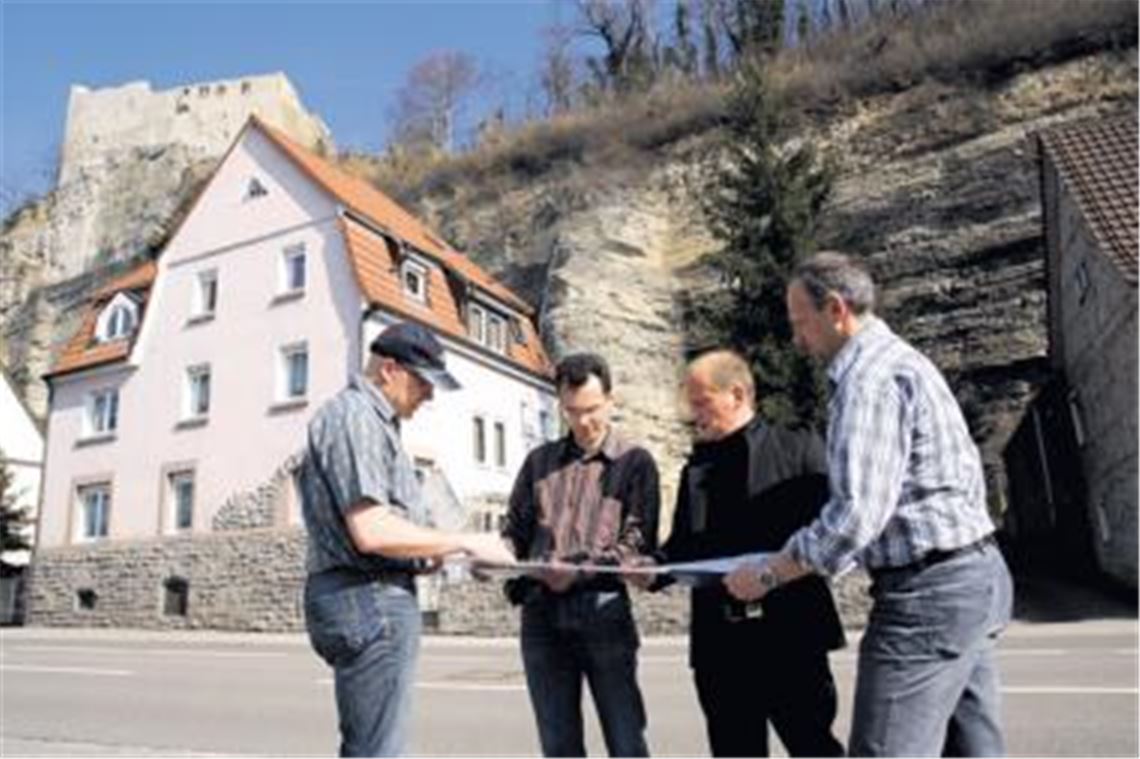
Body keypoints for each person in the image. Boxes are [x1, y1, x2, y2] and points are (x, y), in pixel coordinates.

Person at [725, 251, 1014, 757]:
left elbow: (856, 516)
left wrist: (769, 573)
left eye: (801, 324)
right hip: (976, 578)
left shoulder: (867, 381)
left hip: (927, 596)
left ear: (836, 309)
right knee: (974, 749)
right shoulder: (905, 360)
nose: (798, 340)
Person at [298, 321, 515, 757]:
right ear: (390, 370)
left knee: (374, 746)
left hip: (365, 595)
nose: (430, 396)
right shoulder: (357, 417)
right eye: (424, 382)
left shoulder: (372, 422)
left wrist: (427, 554)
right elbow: (372, 530)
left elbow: (383, 528)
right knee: (379, 752)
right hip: (368, 596)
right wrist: (466, 542)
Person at [629, 350, 844, 757]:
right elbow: (682, 548)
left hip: (791, 637)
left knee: (813, 747)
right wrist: (652, 569)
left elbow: (831, 534)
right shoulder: (697, 468)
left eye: (701, 403)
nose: (695, 416)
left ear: (738, 394)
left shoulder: (799, 448)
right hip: (721, 645)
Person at [501, 352, 660, 757]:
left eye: (591, 409)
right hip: (540, 615)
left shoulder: (634, 463)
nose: (583, 422)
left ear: (610, 399)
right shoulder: (538, 462)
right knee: (558, 747)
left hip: (603, 612)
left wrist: (578, 573)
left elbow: (636, 544)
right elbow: (514, 531)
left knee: (626, 742)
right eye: (571, 411)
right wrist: (499, 555)